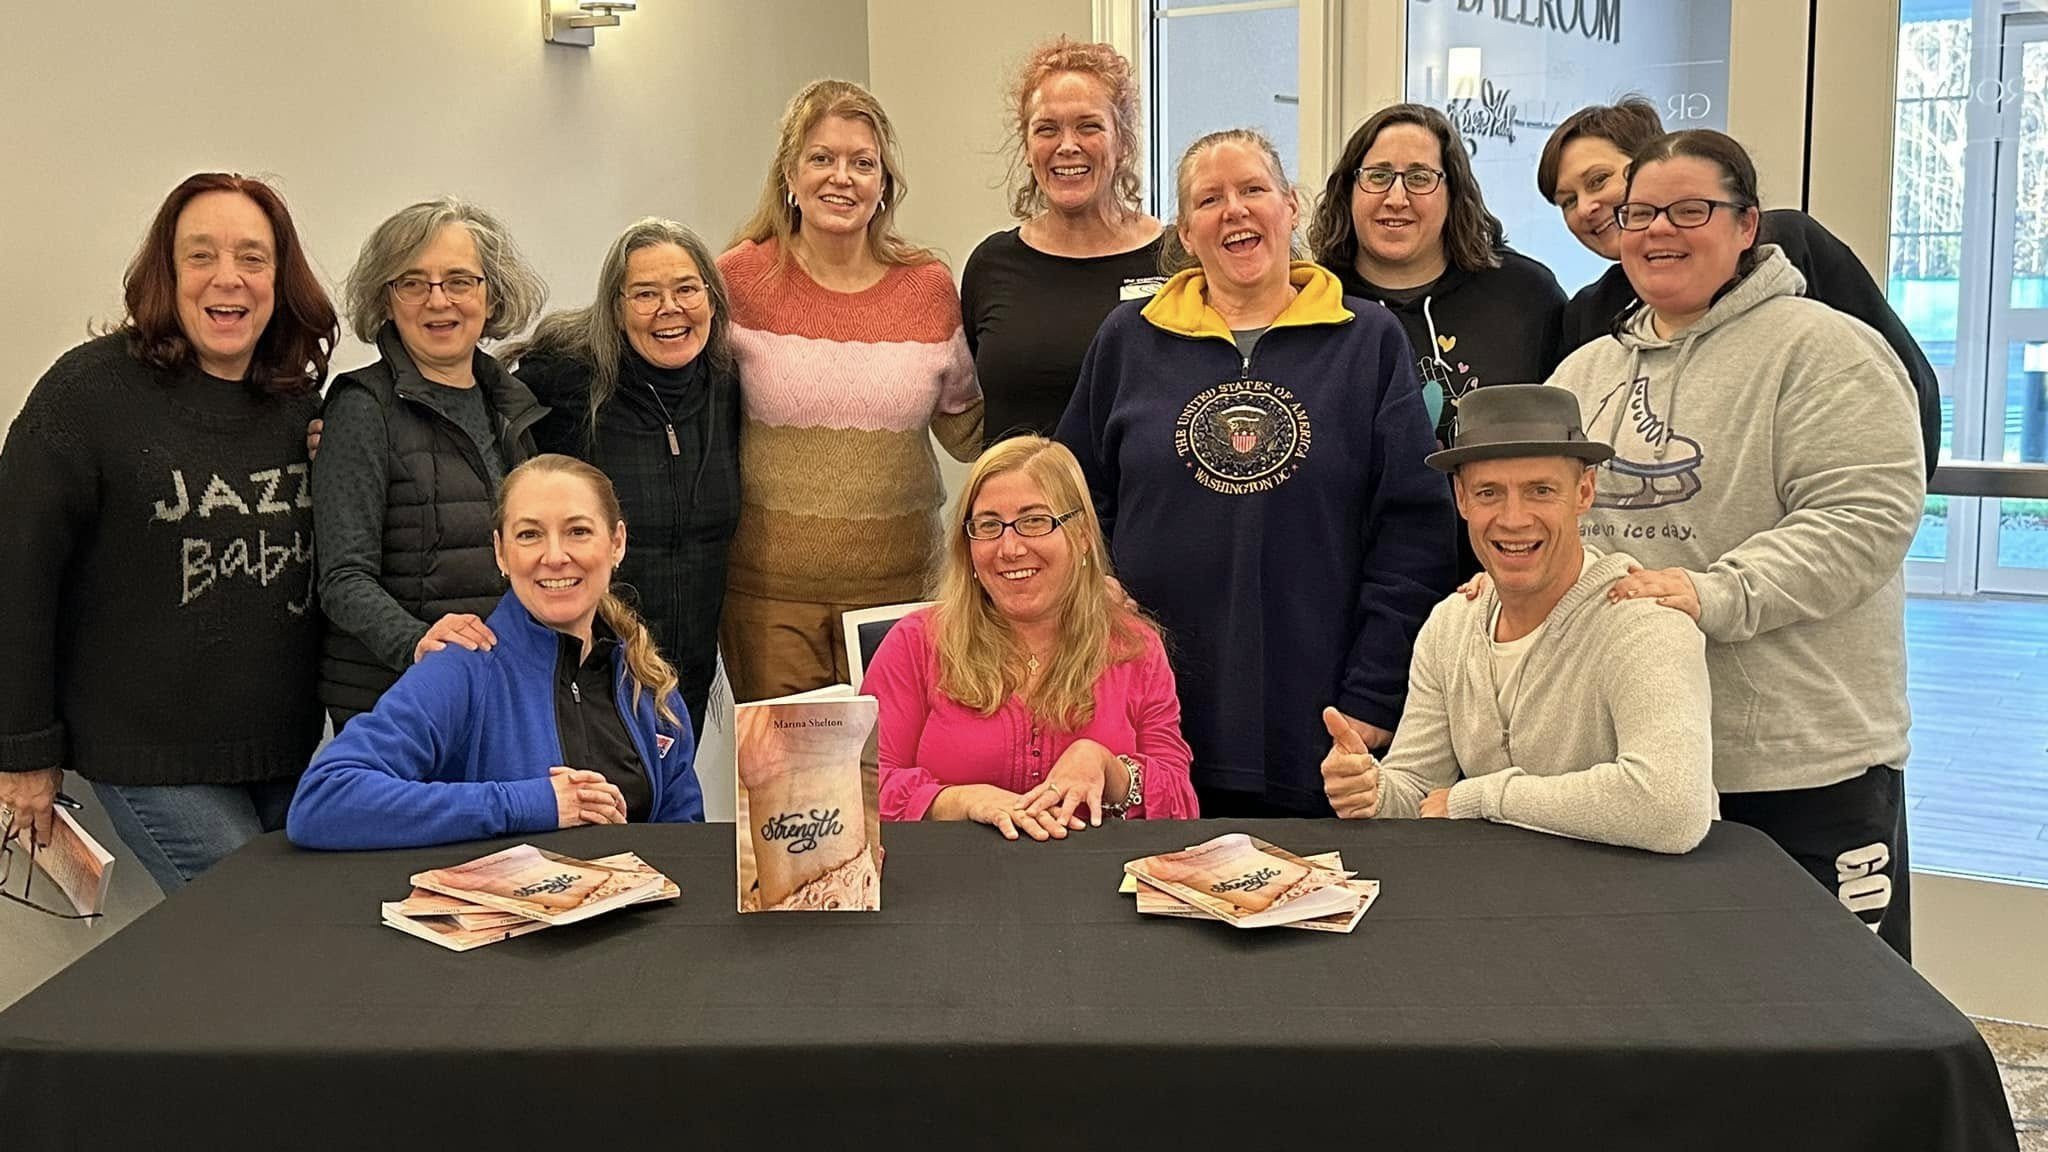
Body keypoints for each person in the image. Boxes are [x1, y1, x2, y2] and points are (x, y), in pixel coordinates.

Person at [1547, 130, 1924, 955]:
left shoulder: (1829, 351)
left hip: (1800, 761)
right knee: (1669, 1006)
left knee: (1835, 1016)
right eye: (1641, 212)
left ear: (1748, 225)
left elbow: (1863, 518)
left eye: (1691, 210)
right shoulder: (1581, 377)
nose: (1657, 231)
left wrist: (1710, 591)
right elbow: (1546, 529)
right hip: (1638, 762)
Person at [1057, 128, 1456, 818]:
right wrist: (1098, 585)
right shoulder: (1127, 339)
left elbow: (1414, 538)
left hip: (1318, 720)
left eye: (1253, 190)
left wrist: (1372, 696)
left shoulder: (1367, 341)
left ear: (1291, 206)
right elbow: (1068, 498)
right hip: (1149, 716)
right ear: (1187, 231)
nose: (1234, 211)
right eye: (1210, 199)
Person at [0, 173, 336, 891]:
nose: (229, 278)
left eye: (253, 257)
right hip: (152, 757)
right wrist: (21, 751)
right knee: (258, 935)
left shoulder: (296, 401)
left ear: (280, 277)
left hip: (287, 751)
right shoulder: (87, 396)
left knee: (291, 949)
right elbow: (17, 575)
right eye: (201, 256)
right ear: (167, 271)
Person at [1322, 385, 1714, 854]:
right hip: (1505, 902)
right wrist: (1373, 790)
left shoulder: (1646, 624)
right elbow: (1420, 793)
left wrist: (1480, 797)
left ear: (1584, 491)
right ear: (1461, 498)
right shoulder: (1450, 624)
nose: (1513, 518)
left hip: (1641, 911)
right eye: (1489, 492)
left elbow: (1671, 809)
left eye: (1540, 491)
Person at [718, 78, 983, 703]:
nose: (843, 178)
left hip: (905, 595)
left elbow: (969, 428)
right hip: (769, 599)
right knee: (790, 792)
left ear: (884, 183)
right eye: (822, 158)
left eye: (863, 163)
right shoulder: (739, 278)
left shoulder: (927, 287)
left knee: (897, 784)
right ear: (789, 174)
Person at [289, 454, 704, 850]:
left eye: (578, 531)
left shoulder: (648, 683)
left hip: (635, 921)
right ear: (501, 552)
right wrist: (532, 804)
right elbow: (323, 800)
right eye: (529, 535)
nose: (555, 556)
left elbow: (688, 849)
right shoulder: (463, 667)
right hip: (510, 924)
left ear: (617, 543)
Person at [1539, 97, 1940, 478]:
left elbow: (1903, 388)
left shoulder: (1791, 247)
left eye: (1599, 180)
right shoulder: (1589, 317)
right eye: (1567, 201)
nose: (1586, 207)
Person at [866, 436, 1198, 839]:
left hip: (1093, 887)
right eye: (989, 525)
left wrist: (1107, 767)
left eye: (1035, 521)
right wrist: (961, 801)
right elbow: (861, 790)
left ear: (1081, 537)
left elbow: (1181, 806)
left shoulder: (1135, 647)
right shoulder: (914, 644)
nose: (1009, 548)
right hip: (951, 884)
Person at [314, 198, 550, 728]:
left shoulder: (511, 404)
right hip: (398, 696)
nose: (437, 300)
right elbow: (343, 577)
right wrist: (417, 641)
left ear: (492, 295)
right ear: (387, 299)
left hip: (497, 685)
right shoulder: (361, 407)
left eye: (460, 281)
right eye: (413, 283)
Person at [510, 218, 741, 735]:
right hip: (592, 668)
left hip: (688, 673)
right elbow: (478, 408)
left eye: (686, 289)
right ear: (615, 309)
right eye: (645, 294)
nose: (670, 309)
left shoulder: (726, 384)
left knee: (671, 806)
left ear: (711, 298)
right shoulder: (569, 380)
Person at [1309, 104, 1565, 446]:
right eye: (1378, 176)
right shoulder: (1312, 304)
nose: (1396, 198)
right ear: (1348, 189)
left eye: (1419, 178)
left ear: (1453, 194)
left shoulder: (1527, 295)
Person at [961, 37, 1165, 442]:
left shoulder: (1176, 260)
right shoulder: (991, 266)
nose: (1067, 146)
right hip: (1016, 505)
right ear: (1027, 146)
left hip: (1136, 506)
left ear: (1122, 142)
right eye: (1047, 129)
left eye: (1089, 126)